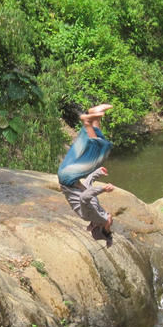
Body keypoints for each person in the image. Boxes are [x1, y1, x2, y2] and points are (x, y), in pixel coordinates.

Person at [58, 104, 115, 245]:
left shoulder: (99, 218)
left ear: (104, 227)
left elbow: (84, 197)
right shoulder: (95, 213)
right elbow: (87, 187)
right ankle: (93, 115)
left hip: (68, 178)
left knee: (98, 153)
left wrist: (102, 189)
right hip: (67, 176)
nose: (111, 224)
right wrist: (97, 173)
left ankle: (87, 122)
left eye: (109, 228)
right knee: (90, 147)